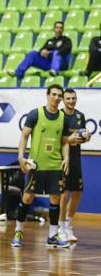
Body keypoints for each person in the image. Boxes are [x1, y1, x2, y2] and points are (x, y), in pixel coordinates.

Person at [11, 84, 77, 248]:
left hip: (55, 165)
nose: (56, 98)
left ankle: (53, 235)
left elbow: (64, 142)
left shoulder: (63, 118)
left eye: (59, 95)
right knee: (27, 197)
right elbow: (24, 136)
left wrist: (66, 158)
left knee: (55, 198)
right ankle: (18, 231)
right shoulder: (36, 114)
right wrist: (21, 157)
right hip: (37, 165)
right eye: (53, 94)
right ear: (47, 95)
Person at [59, 88, 90, 242]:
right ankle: (60, 227)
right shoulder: (59, 116)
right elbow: (55, 139)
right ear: (63, 100)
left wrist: (86, 137)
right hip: (62, 158)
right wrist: (68, 140)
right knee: (64, 194)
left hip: (76, 158)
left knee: (77, 193)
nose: (71, 101)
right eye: (68, 98)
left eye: (73, 98)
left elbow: (81, 136)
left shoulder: (80, 116)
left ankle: (69, 226)